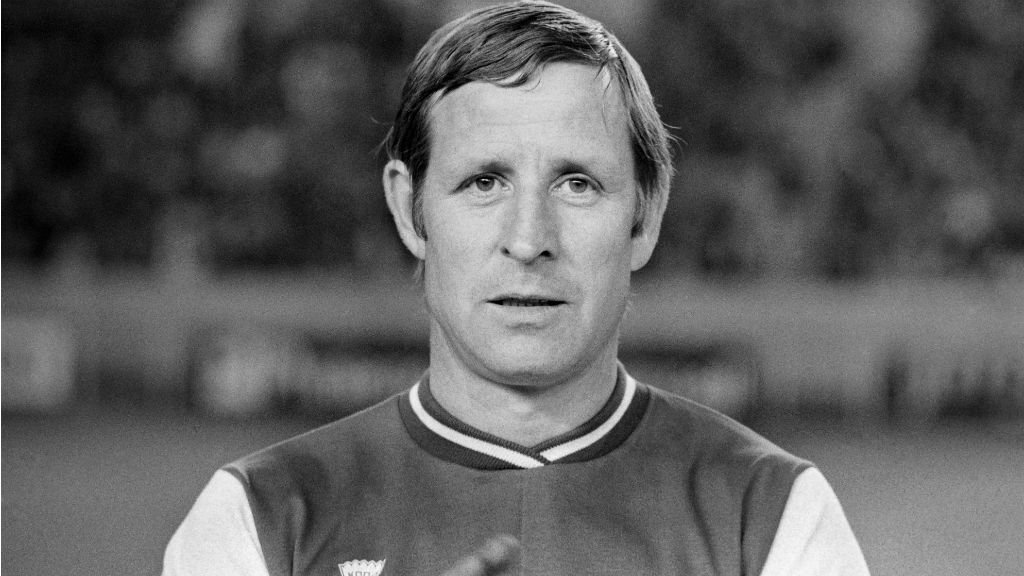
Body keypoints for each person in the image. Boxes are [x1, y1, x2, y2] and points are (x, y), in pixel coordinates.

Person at [163, 2, 871, 575]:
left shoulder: (771, 512)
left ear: (646, 216)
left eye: (578, 183)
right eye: (483, 182)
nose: (529, 238)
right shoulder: (256, 518)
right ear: (410, 210)